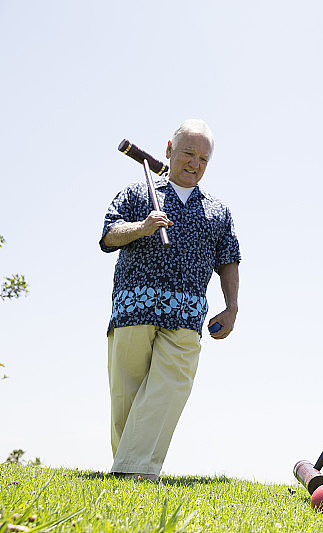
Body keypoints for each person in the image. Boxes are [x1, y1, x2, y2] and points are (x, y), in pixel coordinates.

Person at [100, 119, 241, 481]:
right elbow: (108, 235)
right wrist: (143, 227)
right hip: (134, 308)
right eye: (188, 154)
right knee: (127, 400)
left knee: (168, 393)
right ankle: (134, 476)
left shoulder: (217, 211)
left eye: (203, 158)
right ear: (168, 150)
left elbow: (228, 260)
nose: (195, 163)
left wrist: (232, 306)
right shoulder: (136, 194)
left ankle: (130, 472)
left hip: (187, 315)